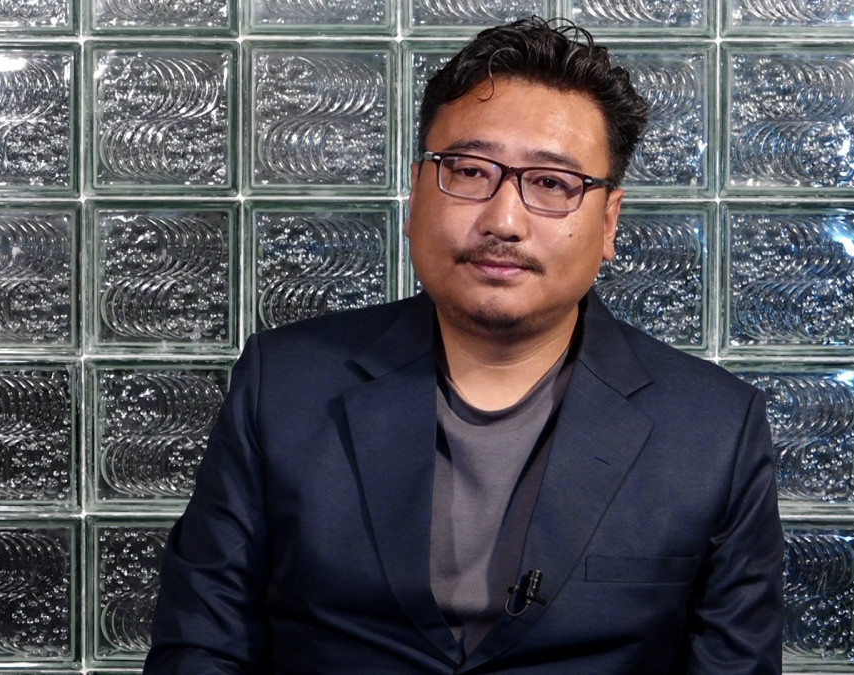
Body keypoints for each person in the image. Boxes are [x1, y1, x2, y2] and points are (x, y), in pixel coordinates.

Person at [145, 16, 784, 674]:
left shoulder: (715, 431)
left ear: (609, 222)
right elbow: (201, 648)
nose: (503, 220)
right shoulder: (282, 385)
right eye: (470, 171)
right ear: (415, 194)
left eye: (552, 183)